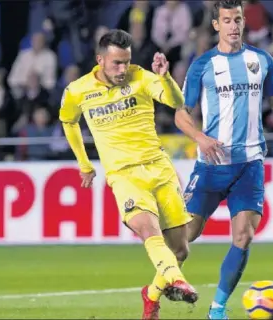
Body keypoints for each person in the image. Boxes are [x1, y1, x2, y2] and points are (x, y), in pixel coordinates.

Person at [173, 1, 273, 319]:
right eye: (227, 20)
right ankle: (156, 291)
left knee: (244, 236)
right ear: (216, 25)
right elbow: (181, 115)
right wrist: (201, 138)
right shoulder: (202, 65)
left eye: (237, 19)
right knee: (185, 237)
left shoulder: (261, 60)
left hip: (250, 164)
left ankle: (218, 308)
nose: (234, 25)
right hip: (211, 165)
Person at [59, 29, 198, 320]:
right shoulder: (77, 90)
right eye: (116, 64)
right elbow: (68, 121)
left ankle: (151, 295)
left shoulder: (143, 77)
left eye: (126, 62)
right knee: (148, 229)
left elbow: (175, 101)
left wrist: (165, 77)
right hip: (124, 175)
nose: (123, 70)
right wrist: (84, 163)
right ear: (100, 60)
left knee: (180, 250)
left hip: (159, 169)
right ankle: (176, 280)